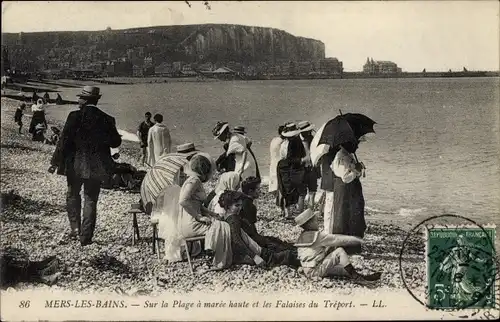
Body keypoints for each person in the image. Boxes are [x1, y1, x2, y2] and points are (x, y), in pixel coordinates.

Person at [48, 86, 122, 246]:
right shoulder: (107, 119)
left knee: (72, 194)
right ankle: (86, 237)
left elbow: (64, 141)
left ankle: (75, 229)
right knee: (91, 200)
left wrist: (55, 162)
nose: (78, 100)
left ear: (86, 100)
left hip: (75, 164)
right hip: (96, 166)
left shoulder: (74, 116)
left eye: (80, 97)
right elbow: (115, 142)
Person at [294, 209, 381, 284]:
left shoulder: (303, 236)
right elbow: (338, 239)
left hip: (307, 270)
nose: (318, 222)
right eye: (315, 220)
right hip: (316, 271)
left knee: (342, 269)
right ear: (310, 224)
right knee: (339, 251)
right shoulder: (318, 236)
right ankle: (357, 279)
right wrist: (358, 240)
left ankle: (362, 277)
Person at [218, 190, 299, 268]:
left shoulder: (226, 217)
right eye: (237, 205)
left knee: (283, 247)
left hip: (257, 248)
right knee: (289, 254)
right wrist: (255, 257)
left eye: (240, 205)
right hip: (260, 252)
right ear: (228, 206)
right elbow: (237, 240)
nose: (240, 208)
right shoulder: (233, 219)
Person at [239, 176, 297, 254]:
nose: (260, 191)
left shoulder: (242, 201)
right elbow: (251, 230)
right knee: (278, 246)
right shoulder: (249, 206)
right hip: (249, 240)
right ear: (250, 191)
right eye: (258, 189)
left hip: (245, 237)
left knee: (275, 241)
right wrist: (261, 241)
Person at [330, 141, 366, 254]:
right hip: (344, 190)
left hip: (352, 190)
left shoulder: (349, 155)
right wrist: (355, 171)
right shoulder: (340, 156)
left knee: (355, 217)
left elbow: (354, 174)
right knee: (343, 216)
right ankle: (344, 247)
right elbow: (345, 178)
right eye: (355, 143)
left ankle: (354, 245)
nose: (357, 145)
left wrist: (358, 169)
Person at [277, 123, 307, 219]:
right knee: (297, 191)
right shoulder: (297, 141)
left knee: (287, 190)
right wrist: (302, 160)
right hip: (295, 169)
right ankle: (297, 213)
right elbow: (292, 158)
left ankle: (288, 213)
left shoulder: (289, 142)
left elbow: (287, 158)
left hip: (288, 169)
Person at [298, 121, 320, 209]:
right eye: (308, 131)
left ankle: (309, 213)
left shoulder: (312, 139)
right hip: (301, 169)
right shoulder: (297, 141)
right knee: (302, 194)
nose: (309, 132)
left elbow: (317, 153)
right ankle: (301, 214)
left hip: (312, 169)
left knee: (312, 192)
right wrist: (301, 160)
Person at [269, 125, 285, 194]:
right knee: (279, 182)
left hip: (273, 162)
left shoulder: (274, 140)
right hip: (279, 163)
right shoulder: (283, 142)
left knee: (274, 181)